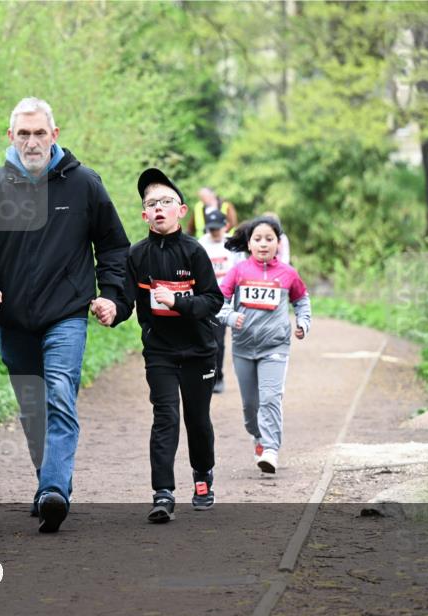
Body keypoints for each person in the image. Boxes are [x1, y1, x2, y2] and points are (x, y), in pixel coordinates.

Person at [0, 97, 130, 533]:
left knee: (58, 393)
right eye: (23, 133)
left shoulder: (85, 184)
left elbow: (113, 246)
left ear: (55, 135)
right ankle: (47, 484)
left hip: (66, 313)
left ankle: (54, 489)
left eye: (39, 133)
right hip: (15, 320)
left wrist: (110, 294)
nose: (32, 141)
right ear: (10, 137)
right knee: (33, 409)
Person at [114, 168, 224, 523]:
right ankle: (163, 492)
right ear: (144, 215)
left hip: (198, 349)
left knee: (196, 418)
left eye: (166, 202)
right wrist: (110, 309)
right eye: (151, 204)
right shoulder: (137, 254)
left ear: (181, 210)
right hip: (160, 350)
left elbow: (214, 300)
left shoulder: (194, 252)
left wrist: (179, 303)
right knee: (165, 417)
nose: (159, 208)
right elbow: (126, 301)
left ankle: (203, 475)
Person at [218, 215, 311, 474]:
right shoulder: (238, 272)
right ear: (249, 243)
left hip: (275, 347)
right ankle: (258, 437)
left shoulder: (288, 273)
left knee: (271, 397)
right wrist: (230, 316)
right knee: (250, 406)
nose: (263, 244)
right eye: (258, 239)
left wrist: (303, 322)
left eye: (269, 239)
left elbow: (302, 301)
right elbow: (218, 302)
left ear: (278, 244)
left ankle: (270, 449)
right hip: (244, 347)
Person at [197, 208, 244, 394]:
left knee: (218, 340)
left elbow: (241, 271)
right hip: (206, 298)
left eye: (218, 228)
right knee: (203, 339)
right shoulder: (201, 244)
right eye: (212, 229)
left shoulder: (233, 246)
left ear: (226, 226)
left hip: (225, 301)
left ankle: (218, 377)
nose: (215, 232)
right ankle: (205, 375)